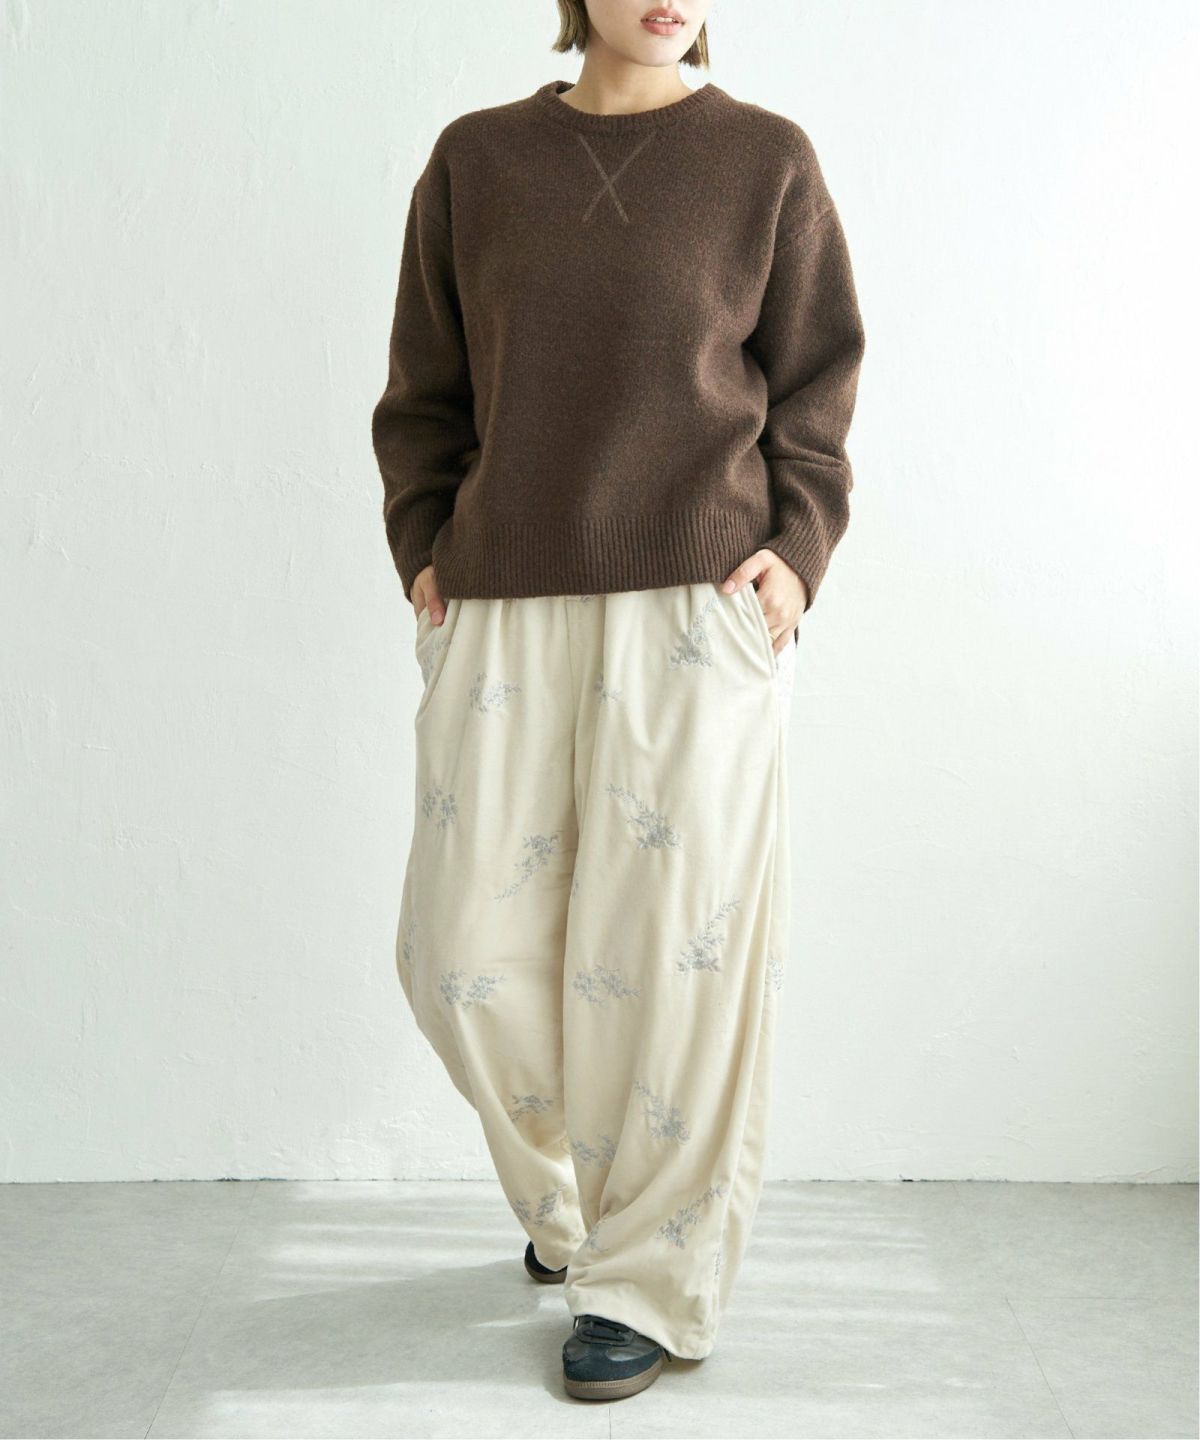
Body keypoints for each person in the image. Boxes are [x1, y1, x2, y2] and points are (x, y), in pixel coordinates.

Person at [370, 0, 865, 1403]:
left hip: (698, 608)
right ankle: (573, 1205)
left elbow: (817, 380)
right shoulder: (476, 161)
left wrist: (798, 551)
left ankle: (646, 1282)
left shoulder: (765, 160)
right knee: (460, 953)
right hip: (503, 597)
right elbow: (425, 386)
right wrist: (422, 541)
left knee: (676, 962)